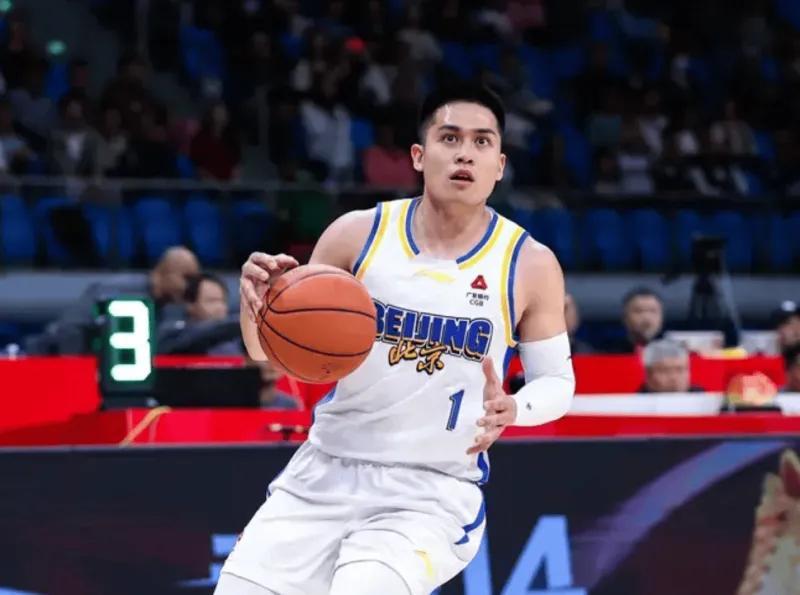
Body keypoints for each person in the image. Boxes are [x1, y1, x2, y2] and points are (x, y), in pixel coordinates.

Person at [220, 83, 575, 595]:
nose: (465, 153)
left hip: (430, 491)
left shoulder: (529, 263)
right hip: (325, 472)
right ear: (418, 155)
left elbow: (558, 382)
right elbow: (278, 358)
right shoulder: (356, 234)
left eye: (481, 142)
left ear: (499, 165)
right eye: (449, 138)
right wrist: (254, 305)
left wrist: (516, 408)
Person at [158, 273, 243, 356]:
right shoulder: (174, 334)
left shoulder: (235, 338)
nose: (220, 307)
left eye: (223, 301)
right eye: (212, 301)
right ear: (190, 305)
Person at [605, 286, 664, 354]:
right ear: (625, 317)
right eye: (639, 311)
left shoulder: (672, 352)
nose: (646, 317)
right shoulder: (609, 352)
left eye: (653, 311)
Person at [638, 339, 703, 393]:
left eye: (680, 370)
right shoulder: (636, 401)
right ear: (648, 374)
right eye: (665, 371)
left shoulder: (701, 397)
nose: (673, 378)